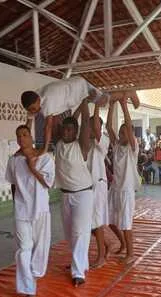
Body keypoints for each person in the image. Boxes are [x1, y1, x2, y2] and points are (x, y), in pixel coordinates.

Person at [5, 125, 55, 297]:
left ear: (31, 136)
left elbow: (48, 183)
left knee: (40, 249)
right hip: (21, 211)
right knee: (24, 250)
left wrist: (33, 168)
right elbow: (13, 184)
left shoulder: (44, 158)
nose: (21, 138)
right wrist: (16, 204)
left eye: (25, 135)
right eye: (18, 136)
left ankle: (32, 277)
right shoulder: (13, 160)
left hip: (40, 209)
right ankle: (29, 289)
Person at [21, 77, 140, 153]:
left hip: (77, 89)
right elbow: (28, 124)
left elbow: (48, 127)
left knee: (102, 101)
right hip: (74, 84)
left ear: (38, 100)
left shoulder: (47, 102)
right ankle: (127, 94)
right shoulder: (33, 101)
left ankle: (129, 93)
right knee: (103, 100)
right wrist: (24, 143)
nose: (33, 111)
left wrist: (44, 149)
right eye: (30, 110)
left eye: (33, 109)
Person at [55, 99, 94, 287]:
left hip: (83, 195)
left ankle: (78, 272)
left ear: (76, 132)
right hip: (65, 194)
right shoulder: (59, 144)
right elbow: (67, 121)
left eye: (70, 130)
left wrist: (85, 103)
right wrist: (75, 110)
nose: (65, 132)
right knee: (70, 234)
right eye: (64, 129)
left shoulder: (81, 146)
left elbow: (84, 123)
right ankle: (80, 262)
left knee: (80, 232)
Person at [106, 95, 141, 265]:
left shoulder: (132, 149)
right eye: (120, 132)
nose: (121, 135)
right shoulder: (117, 146)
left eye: (125, 132)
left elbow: (128, 124)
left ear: (130, 135)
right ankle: (122, 243)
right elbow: (107, 126)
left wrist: (123, 105)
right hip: (115, 188)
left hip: (126, 190)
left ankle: (131, 253)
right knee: (110, 220)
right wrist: (112, 105)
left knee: (126, 223)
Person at [87, 106, 111, 268]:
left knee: (96, 222)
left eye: (93, 125)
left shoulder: (103, 140)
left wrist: (96, 105)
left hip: (98, 185)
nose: (89, 128)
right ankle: (106, 245)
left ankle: (101, 256)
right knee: (88, 224)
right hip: (86, 187)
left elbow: (95, 127)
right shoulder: (84, 142)